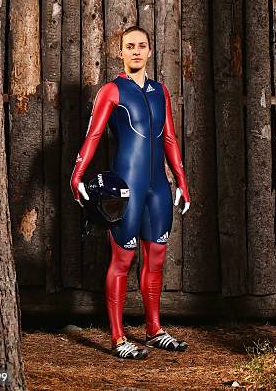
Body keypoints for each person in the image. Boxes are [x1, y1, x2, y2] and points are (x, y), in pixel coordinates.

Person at [70, 26, 191, 359]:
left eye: (142, 46)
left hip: (157, 189)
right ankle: (119, 337)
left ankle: (154, 330)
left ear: (150, 51)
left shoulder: (160, 91)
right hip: (127, 188)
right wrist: (77, 173)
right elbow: (94, 136)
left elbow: (169, 139)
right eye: (129, 46)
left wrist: (181, 179)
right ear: (120, 52)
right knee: (122, 260)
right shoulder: (112, 90)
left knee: (157, 258)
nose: (136, 51)